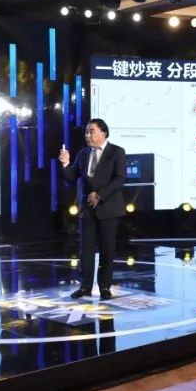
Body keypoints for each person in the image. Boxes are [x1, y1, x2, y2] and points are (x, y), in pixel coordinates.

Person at [59, 119, 127, 300]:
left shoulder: (117, 152)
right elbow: (71, 176)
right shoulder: (83, 153)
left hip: (108, 207)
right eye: (86, 132)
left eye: (92, 131)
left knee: (107, 249)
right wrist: (65, 164)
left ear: (104, 132)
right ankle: (85, 287)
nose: (88, 135)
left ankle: (104, 287)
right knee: (86, 250)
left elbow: (120, 179)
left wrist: (100, 195)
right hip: (87, 209)